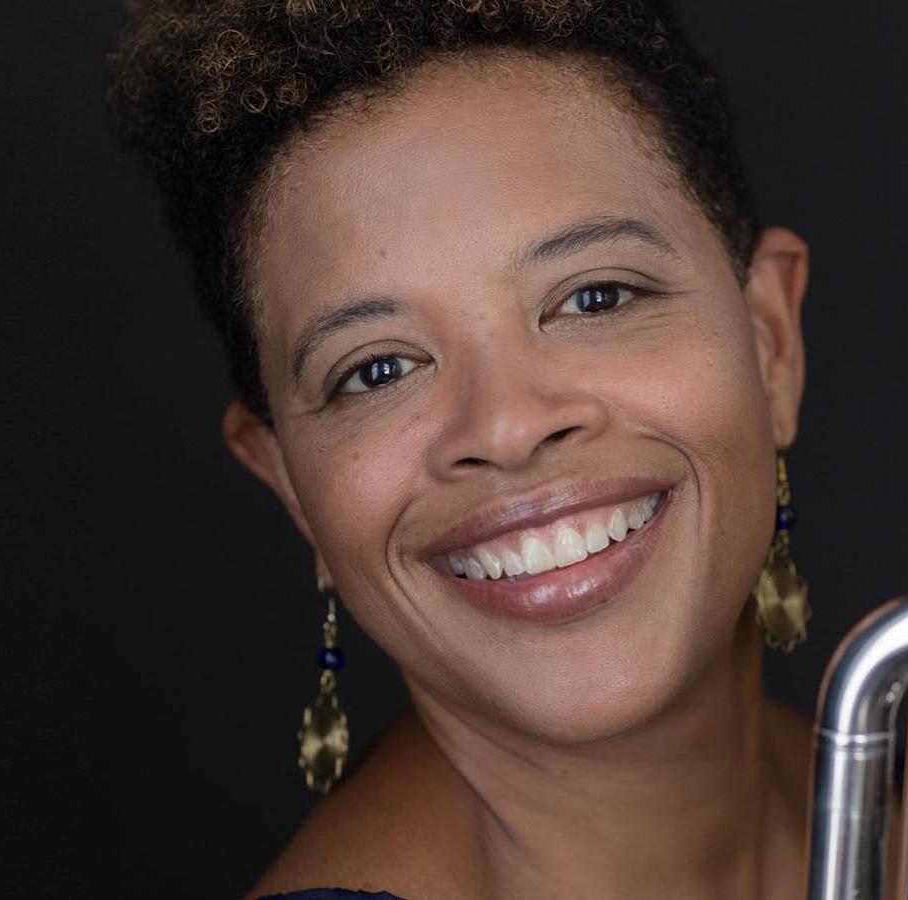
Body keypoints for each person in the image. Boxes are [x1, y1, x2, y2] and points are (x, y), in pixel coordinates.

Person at [108, 2, 815, 897]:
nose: (508, 427)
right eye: (378, 370)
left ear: (770, 344)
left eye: (595, 298)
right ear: (291, 486)